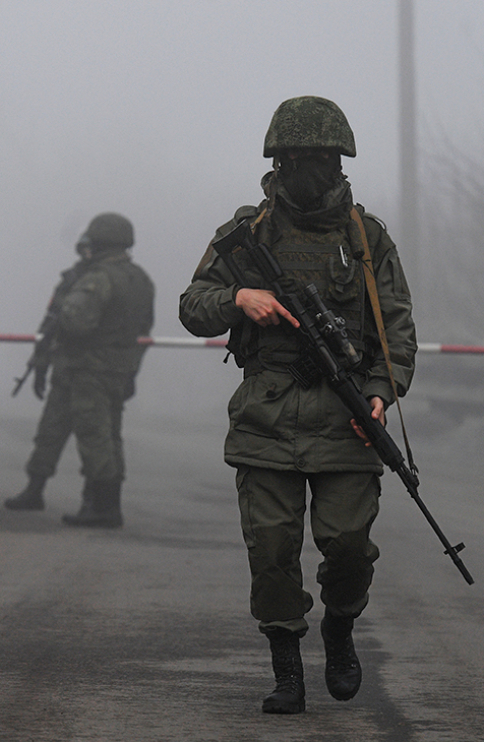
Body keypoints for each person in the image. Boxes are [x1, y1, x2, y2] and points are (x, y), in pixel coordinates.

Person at [178, 96, 417, 714]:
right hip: (267, 414)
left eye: (324, 158)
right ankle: (286, 666)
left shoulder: (368, 238)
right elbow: (191, 305)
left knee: (347, 548)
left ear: (340, 162)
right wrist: (240, 298)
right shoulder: (248, 233)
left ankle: (339, 628)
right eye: (301, 158)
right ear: (279, 161)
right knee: (272, 552)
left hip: (346, 415)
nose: (313, 169)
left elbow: (395, 332)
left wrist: (379, 394)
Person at [5, 213, 155, 528]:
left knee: (94, 436)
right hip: (107, 369)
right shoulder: (140, 279)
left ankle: (102, 506)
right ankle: (50, 492)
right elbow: (143, 332)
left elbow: (75, 322)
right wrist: (130, 372)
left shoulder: (98, 277)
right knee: (94, 433)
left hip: (86, 368)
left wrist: (66, 321)